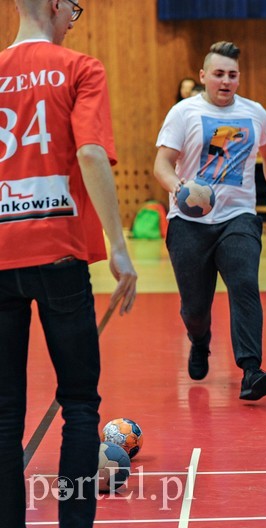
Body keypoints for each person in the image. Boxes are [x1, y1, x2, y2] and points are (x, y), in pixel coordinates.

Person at [0, 1, 138, 526]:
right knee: (79, 404)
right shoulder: (80, 67)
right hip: (59, 252)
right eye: (74, 10)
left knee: (4, 414)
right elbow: (90, 153)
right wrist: (118, 247)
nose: (72, 21)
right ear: (56, 5)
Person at [153, 41, 266, 401]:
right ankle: (199, 340)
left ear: (239, 77)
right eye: (218, 74)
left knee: (244, 284)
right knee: (195, 308)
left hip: (238, 216)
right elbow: (162, 164)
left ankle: (251, 370)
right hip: (189, 221)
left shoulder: (254, 113)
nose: (226, 81)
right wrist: (179, 187)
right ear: (203, 76)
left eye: (232, 75)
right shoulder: (184, 112)